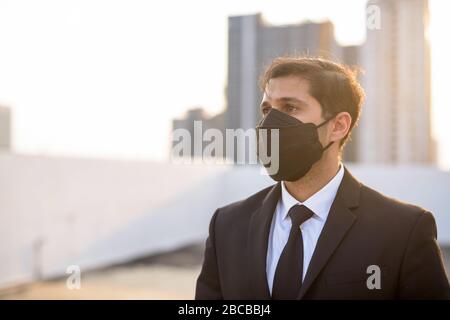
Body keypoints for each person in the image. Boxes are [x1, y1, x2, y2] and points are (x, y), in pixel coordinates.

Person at [195, 57, 450, 299]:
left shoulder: (404, 231)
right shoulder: (227, 226)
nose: (270, 123)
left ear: (338, 126)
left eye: (290, 107)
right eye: (266, 109)